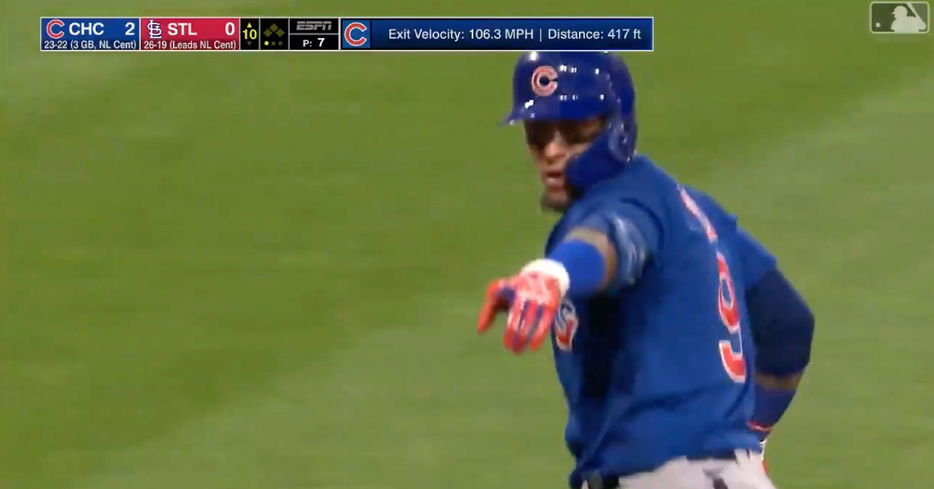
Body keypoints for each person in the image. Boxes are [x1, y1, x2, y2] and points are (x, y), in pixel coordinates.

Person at [476, 52, 815, 489]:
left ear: (617, 125)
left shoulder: (625, 205)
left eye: (577, 130)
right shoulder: (691, 209)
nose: (554, 151)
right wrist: (748, 441)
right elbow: (787, 326)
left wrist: (553, 275)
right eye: (539, 133)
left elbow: (612, 241)